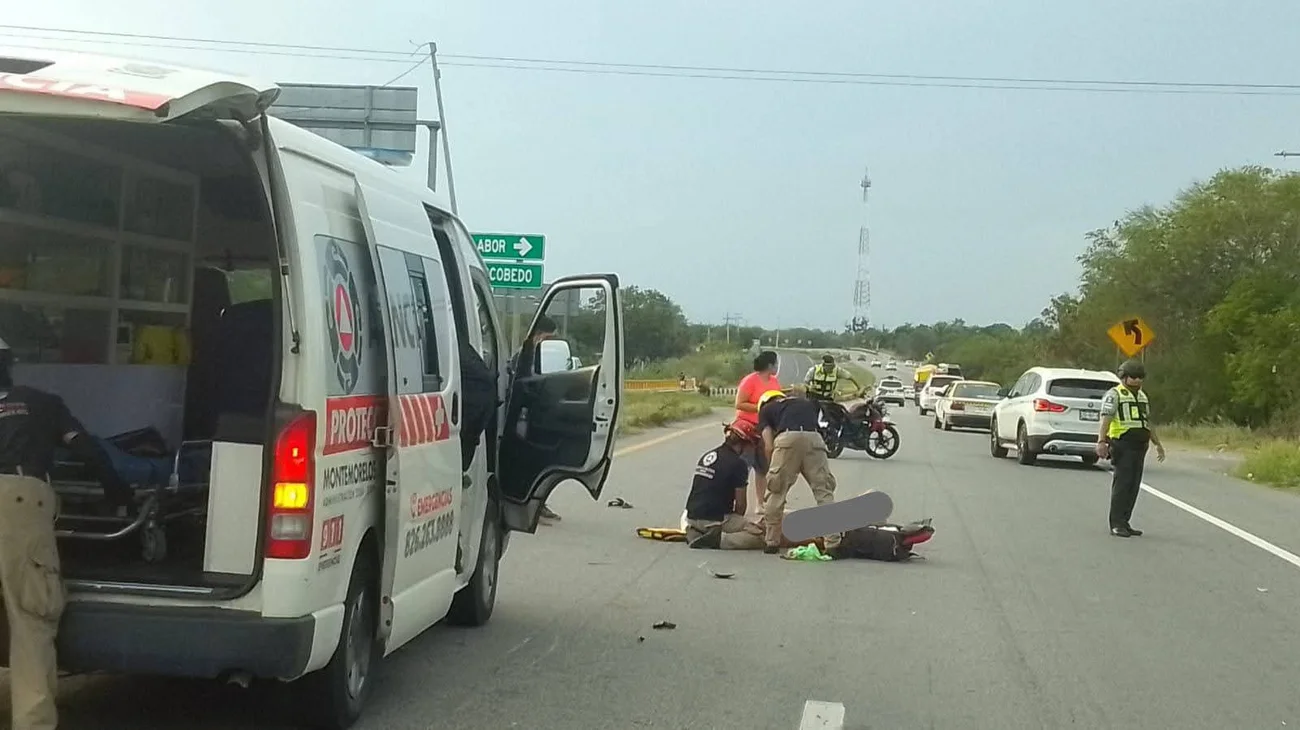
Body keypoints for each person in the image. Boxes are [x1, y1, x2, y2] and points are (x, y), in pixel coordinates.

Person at [0, 337, 131, 729]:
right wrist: (116, 489)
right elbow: (86, 449)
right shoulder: (42, 403)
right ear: (10, 364)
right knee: (31, 620)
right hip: (20, 503)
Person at [756, 389, 841, 554]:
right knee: (824, 492)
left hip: (787, 440)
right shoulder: (808, 403)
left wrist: (772, 468)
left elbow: (768, 445)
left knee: (776, 491)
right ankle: (832, 543)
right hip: (814, 440)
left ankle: (772, 542)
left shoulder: (767, 410)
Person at [1096, 359, 1166, 538]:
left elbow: (1147, 422)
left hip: (1140, 444)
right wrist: (1102, 441)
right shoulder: (1115, 394)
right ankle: (1116, 523)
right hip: (1122, 443)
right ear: (1123, 377)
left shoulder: (1142, 396)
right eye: (1133, 377)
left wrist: (1158, 444)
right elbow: (1106, 419)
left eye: (1140, 377)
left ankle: (1126, 521)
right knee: (1123, 484)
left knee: (1134, 485)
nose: (1137, 380)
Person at [507, 315, 563, 524]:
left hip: (530, 418)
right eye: (549, 337)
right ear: (539, 334)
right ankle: (528, 502)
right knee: (529, 460)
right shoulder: (524, 355)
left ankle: (536, 502)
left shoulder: (534, 354)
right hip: (521, 419)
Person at [682, 419, 767, 550]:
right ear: (744, 443)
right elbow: (740, 505)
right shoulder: (738, 464)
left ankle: (697, 532)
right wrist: (738, 524)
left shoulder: (709, 455)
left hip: (691, 516)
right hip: (715, 519)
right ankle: (717, 540)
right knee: (760, 535)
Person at [734, 351, 782, 517]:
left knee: (763, 467)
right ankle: (736, 503)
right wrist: (761, 407)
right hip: (747, 427)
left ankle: (760, 504)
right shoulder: (750, 380)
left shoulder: (774, 381)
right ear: (769, 365)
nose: (777, 367)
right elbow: (739, 404)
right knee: (743, 466)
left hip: (766, 428)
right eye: (775, 364)